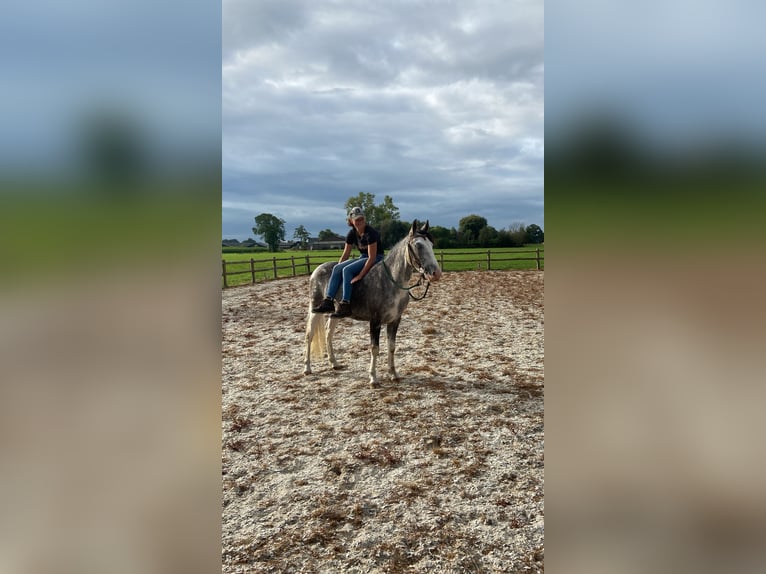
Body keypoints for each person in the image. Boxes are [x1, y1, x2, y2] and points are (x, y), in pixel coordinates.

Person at [312, 206, 384, 318]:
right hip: (364, 257)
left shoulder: (371, 233)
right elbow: (346, 254)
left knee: (347, 270)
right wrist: (337, 268)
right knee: (337, 268)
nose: (359, 222)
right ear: (351, 221)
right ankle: (328, 301)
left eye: (361, 219)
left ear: (364, 219)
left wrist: (360, 275)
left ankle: (346, 304)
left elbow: (372, 258)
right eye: (357, 220)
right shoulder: (352, 233)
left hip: (376, 258)